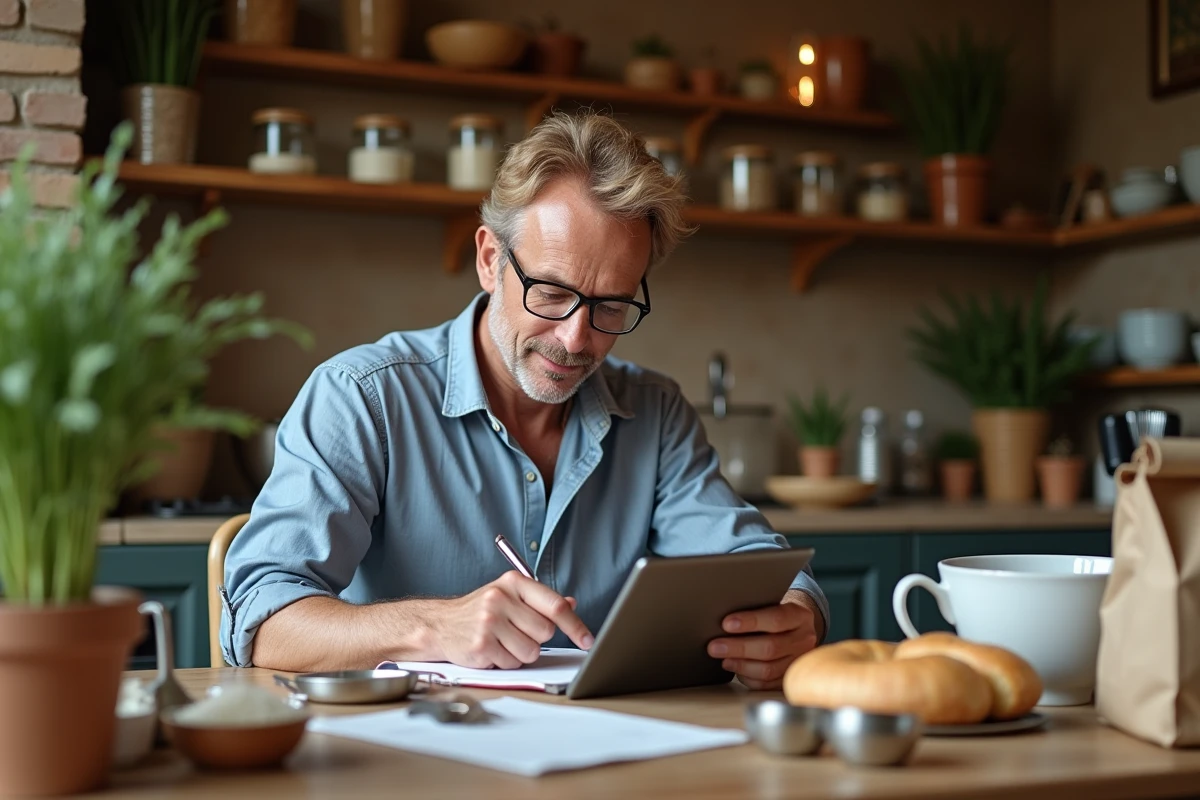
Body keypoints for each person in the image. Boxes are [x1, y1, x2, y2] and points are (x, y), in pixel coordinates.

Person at [220, 110, 829, 690]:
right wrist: (435, 626)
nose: (576, 338)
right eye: (552, 292)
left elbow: (756, 563)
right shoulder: (363, 399)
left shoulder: (656, 412)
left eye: (611, 306)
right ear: (490, 260)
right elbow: (262, 624)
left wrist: (798, 613)